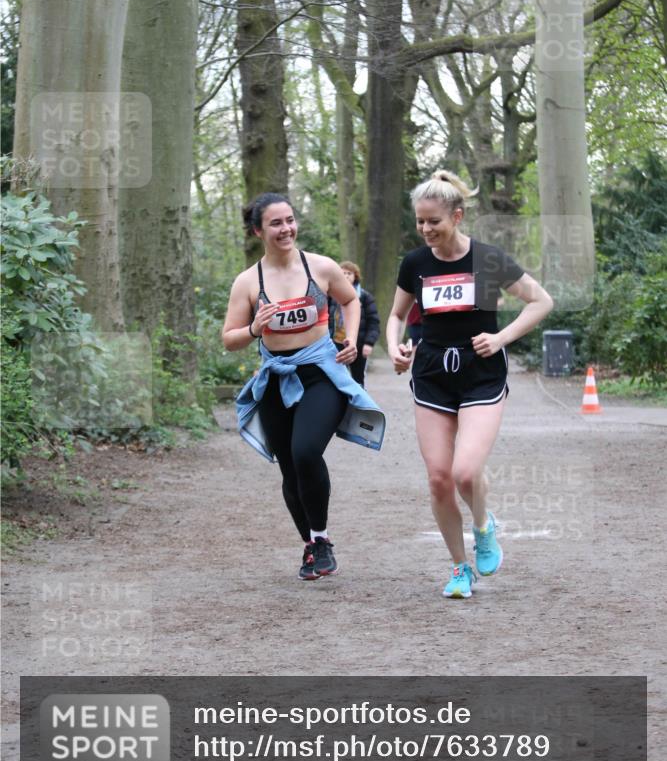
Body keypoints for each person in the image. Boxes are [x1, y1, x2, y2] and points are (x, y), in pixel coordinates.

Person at [386, 171, 553, 600]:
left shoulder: (489, 259)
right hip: (432, 377)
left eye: (434, 222)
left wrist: (500, 338)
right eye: (420, 222)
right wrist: (395, 348)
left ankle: (483, 525)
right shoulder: (415, 264)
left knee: (464, 473)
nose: (426, 230)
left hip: (481, 374)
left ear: (457, 216)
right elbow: (396, 317)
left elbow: (541, 301)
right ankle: (460, 568)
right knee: (439, 479)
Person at [223, 193, 385, 582]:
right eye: (276, 223)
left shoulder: (321, 267)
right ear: (258, 230)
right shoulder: (248, 281)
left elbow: (351, 300)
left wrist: (347, 337)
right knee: (290, 470)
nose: (286, 229)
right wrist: (254, 329)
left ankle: (322, 538)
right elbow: (229, 339)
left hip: (320, 374)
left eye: (290, 220)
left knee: (306, 450)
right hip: (277, 378)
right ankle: (312, 545)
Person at [329, 261, 381, 388]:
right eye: (343, 273)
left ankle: (359, 405)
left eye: (349, 273)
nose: (346, 276)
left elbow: (373, 321)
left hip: (357, 344)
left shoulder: (364, 296)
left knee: (358, 378)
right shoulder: (330, 295)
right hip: (335, 342)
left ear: (355, 276)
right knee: (335, 378)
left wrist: (369, 343)